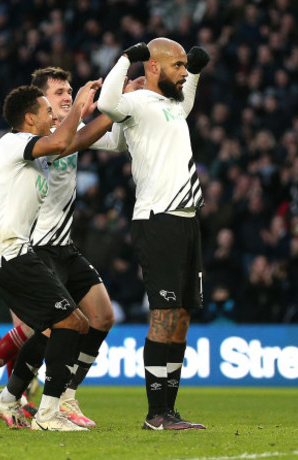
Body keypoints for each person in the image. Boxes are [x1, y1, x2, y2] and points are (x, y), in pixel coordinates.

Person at [0, 67, 137, 427]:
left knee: (95, 318)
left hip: (55, 246)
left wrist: (121, 103)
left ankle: (28, 396)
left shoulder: (47, 142)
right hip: (25, 247)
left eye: (70, 91)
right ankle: (40, 404)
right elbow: (63, 141)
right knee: (57, 327)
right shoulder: (21, 143)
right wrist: (89, 109)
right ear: (37, 109)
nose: (66, 97)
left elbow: (84, 138)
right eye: (56, 94)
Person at [0, 81, 100, 431]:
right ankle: (48, 415)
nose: (52, 115)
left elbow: (75, 139)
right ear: (30, 119)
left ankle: (10, 398)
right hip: (4, 252)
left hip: (10, 252)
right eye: (47, 111)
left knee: (56, 326)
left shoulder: (35, 152)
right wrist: (79, 108)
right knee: (72, 323)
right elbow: (62, 139)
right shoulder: (12, 143)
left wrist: (120, 105)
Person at [98, 39, 210, 430]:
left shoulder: (173, 107)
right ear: (154, 68)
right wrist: (126, 58)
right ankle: (155, 413)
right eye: (176, 66)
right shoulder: (136, 103)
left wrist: (194, 71)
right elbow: (107, 105)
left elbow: (188, 100)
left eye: (184, 67)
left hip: (186, 220)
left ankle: (170, 410)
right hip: (158, 219)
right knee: (163, 316)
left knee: (181, 317)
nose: (182, 73)